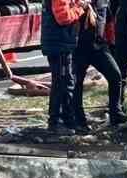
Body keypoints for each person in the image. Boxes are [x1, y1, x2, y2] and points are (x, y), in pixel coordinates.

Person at [71, 1, 126, 127]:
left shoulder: (104, 2)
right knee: (76, 83)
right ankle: (78, 119)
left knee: (115, 76)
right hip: (79, 47)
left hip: (98, 46)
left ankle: (115, 113)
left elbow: (109, 20)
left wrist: (111, 43)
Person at [41, 0, 84, 130]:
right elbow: (63, 17)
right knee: (62, 83)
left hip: (61, 43)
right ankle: (56, 121)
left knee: (65, 82)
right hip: (59, 44)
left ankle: (66, 119)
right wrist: (79, 8)